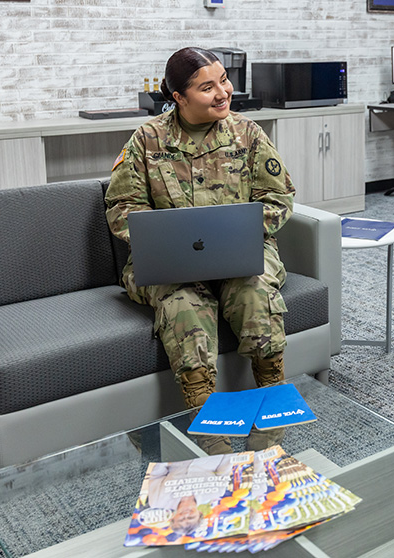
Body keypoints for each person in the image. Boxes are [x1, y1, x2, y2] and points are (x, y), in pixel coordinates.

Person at [105, 47, 296, 430]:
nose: (223, 92)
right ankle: (207, 417)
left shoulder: (247, 133)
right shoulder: (148, 139)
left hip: (243, 252)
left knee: (255, 289)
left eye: (224, 80)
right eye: (207, 87)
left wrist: (245, 231)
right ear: (179, 97)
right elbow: (121, 205)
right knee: (182, 302)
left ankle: (274, 395)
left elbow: (279, 196)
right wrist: (159, 237)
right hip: (169, 263)